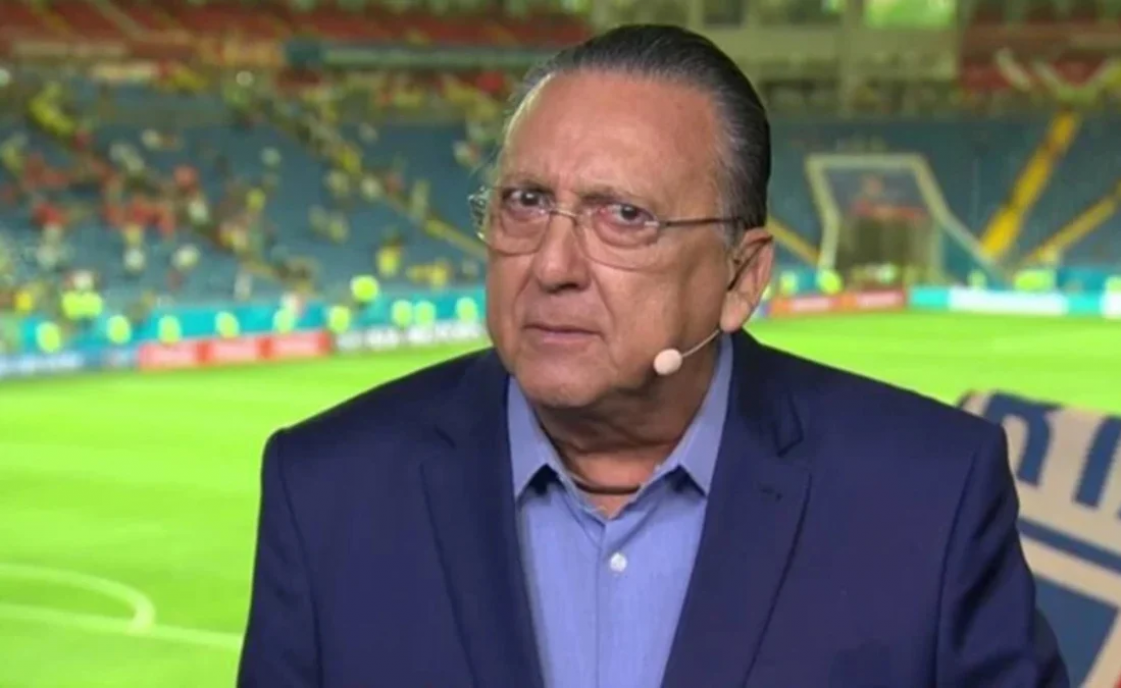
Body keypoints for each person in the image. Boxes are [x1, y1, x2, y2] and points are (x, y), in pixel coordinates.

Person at [238, 25, 1067, 688]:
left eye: (625, 216)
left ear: (741, 278)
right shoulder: (327, 490)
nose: (553, 265)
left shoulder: (929, 495)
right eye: (526, 202)